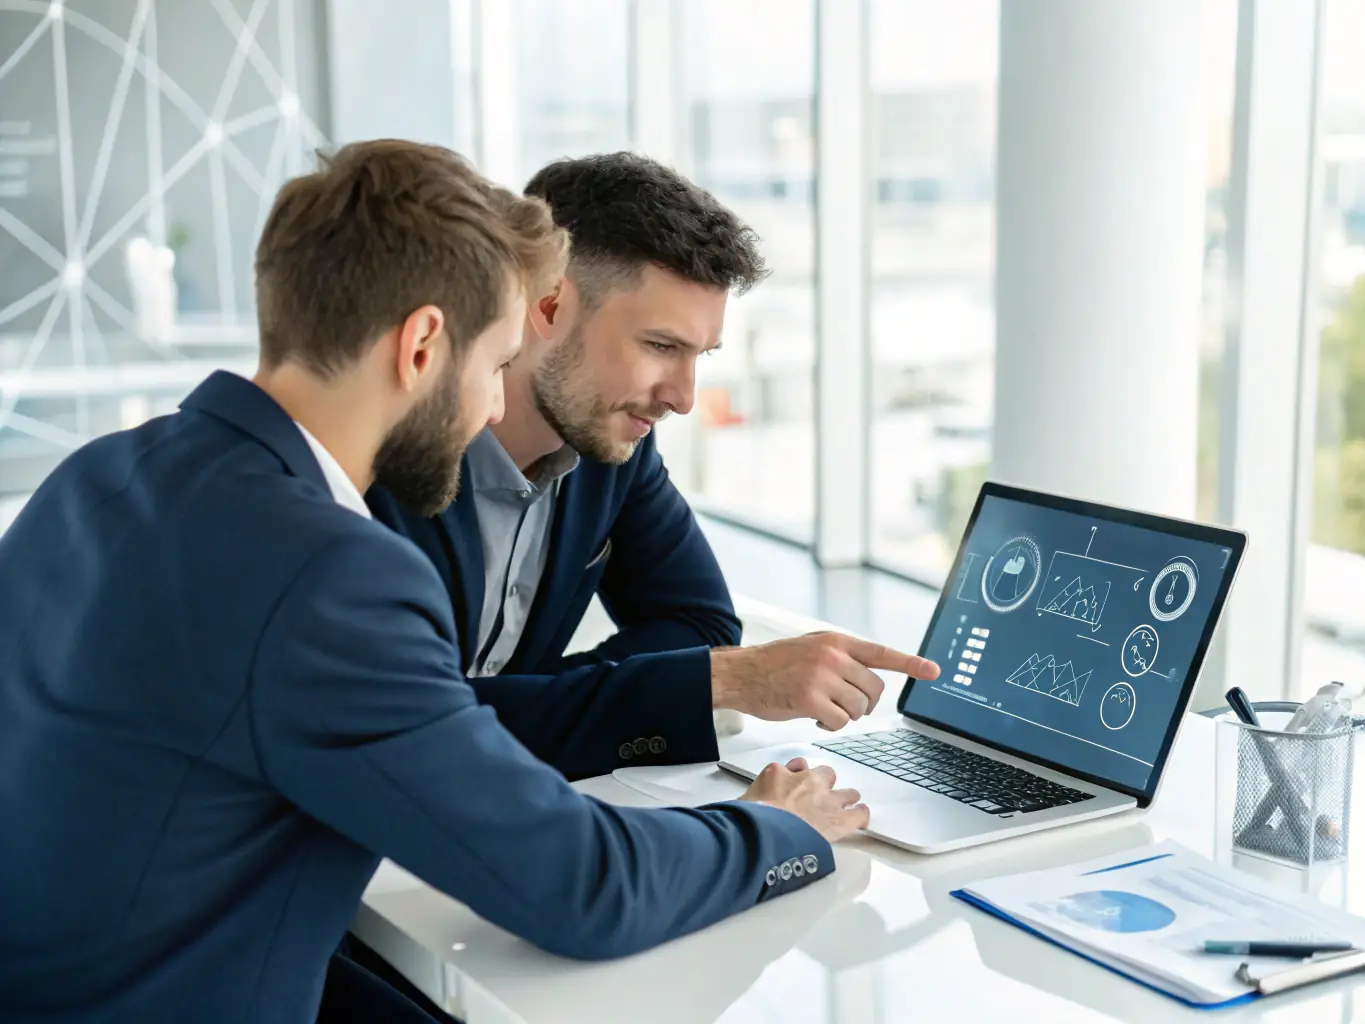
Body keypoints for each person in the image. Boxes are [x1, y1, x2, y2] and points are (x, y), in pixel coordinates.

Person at [0, 141, 870, 1024]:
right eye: (494, 364)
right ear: (421, 345)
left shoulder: (97, 476)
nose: (495, 406)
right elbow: (584, 889)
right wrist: (779, 827)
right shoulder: (329, 571)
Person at [370, 152, 941, 785]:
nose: (683, 397)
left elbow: (701, 626)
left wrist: (529, 704)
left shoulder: (613, 446)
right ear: (549, 305)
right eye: (661, 346)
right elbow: (407, 729)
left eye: (700, 354)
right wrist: (718, 682)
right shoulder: (378, 456)